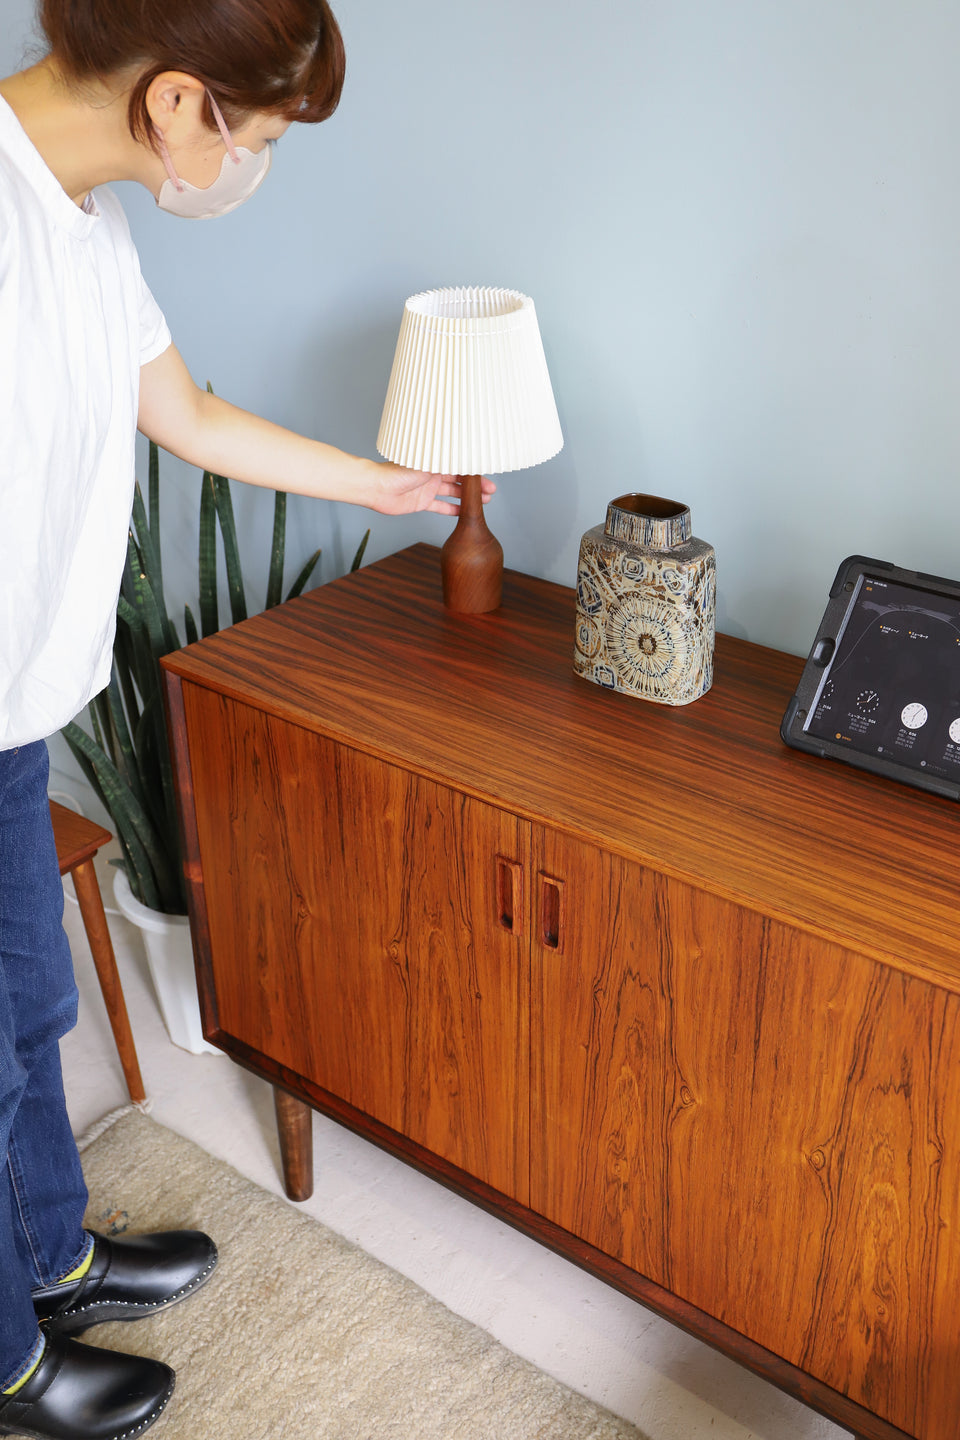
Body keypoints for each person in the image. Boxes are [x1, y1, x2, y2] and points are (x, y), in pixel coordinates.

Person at [0, 2, 494, 1435]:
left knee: (31, 1013)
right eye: (259, 140)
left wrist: (378, 485)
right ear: (177, 103)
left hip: (17, 708)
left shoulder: (84, 211)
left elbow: (189, 416)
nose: (252, 168)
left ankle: (51, 1257)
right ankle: (12, 1370)